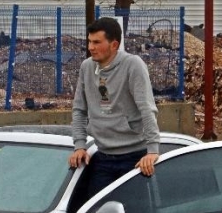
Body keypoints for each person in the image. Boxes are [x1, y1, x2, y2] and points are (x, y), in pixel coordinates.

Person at [68, 17, 160, 199]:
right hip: (102, 156)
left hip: (134, 158)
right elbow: (79, 109)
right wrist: (79, 146)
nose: (90, 47)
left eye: (96, 42)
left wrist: (153, 150)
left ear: (114, 45)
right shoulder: (86, 67)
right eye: (89, 41)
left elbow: (146, 107)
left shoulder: (133, 65)